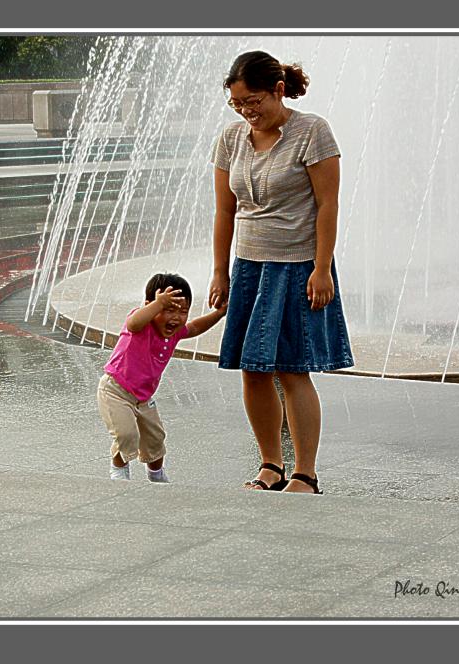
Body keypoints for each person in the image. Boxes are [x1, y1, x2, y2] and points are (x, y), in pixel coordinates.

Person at [209, 50, 354, 495]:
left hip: (297, 267)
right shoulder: (232, 139)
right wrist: (220, 271)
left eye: (254, 101)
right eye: (238, 104)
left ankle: (305, 473)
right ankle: (270, 464)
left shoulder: (312, 132)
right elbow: (224, 211)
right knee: (252, 370)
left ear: (277, 90)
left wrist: (322, 268)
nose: (247, 111)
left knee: (292, 370)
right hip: (250, 265)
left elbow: (327, 205)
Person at [98, 273, 227, 483]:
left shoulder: (174, 333)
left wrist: (220, 313)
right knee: (126, 434)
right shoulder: (142, 325)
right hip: (116, 390)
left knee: (156, 439)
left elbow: (194, 327)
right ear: (150, 306)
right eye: (168, 310)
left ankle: (156, 474)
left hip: (144, 396)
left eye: (182, 311)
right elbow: (133, 323)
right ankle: (118, 468)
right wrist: (158, 304)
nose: (176, 318)